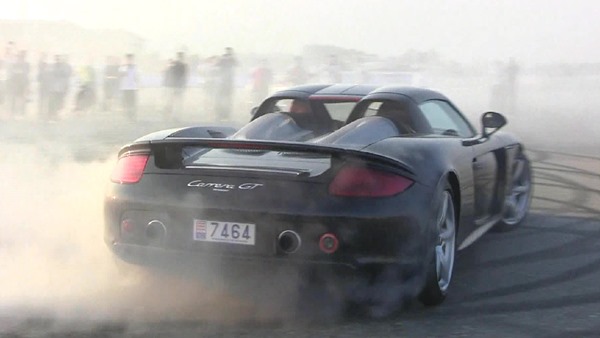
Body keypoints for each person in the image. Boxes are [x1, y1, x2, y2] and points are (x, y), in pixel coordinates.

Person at [215, 47, 238, 121]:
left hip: (227, 82)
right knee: (223, 99)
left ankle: (225, 115)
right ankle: (221, 115)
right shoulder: (224, 59)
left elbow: (237, 64)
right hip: (224, 82)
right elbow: (216, 65)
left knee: (227, 100)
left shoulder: (231, 59)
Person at [164, 52, 188, 121]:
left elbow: (169, 74)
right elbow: (184, 77)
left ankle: (170, 116)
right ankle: (174, 116)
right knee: (177, 102)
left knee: (172, 102)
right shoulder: (183, 65)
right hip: (178, 86)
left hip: (174, 86)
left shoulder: (173, 64)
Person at [8, 50, 30, 118]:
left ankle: (22, 113)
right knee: (14, 98)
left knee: (23, 98)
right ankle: (13, 112)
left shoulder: (27, 64)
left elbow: (26, 73)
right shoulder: (15, 64)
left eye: (22, 56)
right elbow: (12, 73)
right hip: (16, 83)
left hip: (23, 83)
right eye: (19, 56)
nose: (20, 58)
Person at [119, 53, 139, 121]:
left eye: (130, 59)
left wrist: (139, 85)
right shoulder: (122, 67)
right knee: (126, 103)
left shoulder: (135, 67)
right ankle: (127, 115)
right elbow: (120, 76)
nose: (129, 61)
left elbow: (137, 77)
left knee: (132, 103)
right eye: (128, 59)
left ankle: (132, 116)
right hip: (124, 88)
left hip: (132, 88)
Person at [37, 52, 52, 119]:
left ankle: (44, 111)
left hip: (47, 86)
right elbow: (38, 78)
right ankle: (41, 111)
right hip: (42, 86)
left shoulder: (48, 71)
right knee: (41, 99)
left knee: (45, 99)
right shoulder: (41, 70)